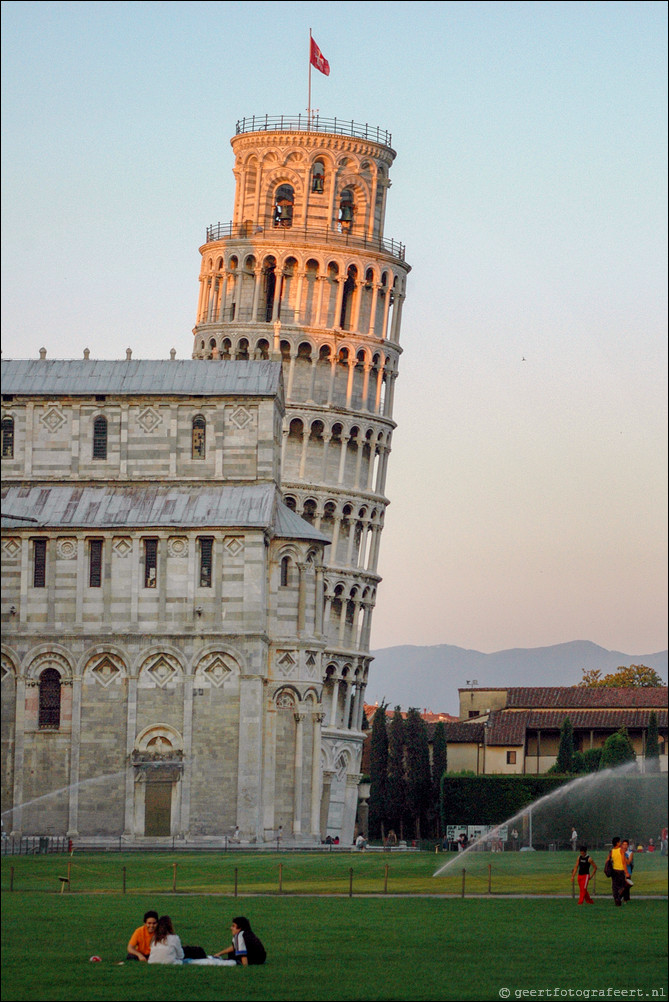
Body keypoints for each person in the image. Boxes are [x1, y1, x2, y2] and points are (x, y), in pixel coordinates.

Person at [608, 836, 630, 907]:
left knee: (615, 887)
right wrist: (626, 872)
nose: (620, 843)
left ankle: (616, 899)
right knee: (623, 886)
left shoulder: (612, 851)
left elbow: (608, 860)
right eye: (619, 842)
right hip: (620, 870)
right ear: (617, 843)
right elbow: (624, 862)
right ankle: (619, 897)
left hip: (614, 870)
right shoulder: (621, 850)